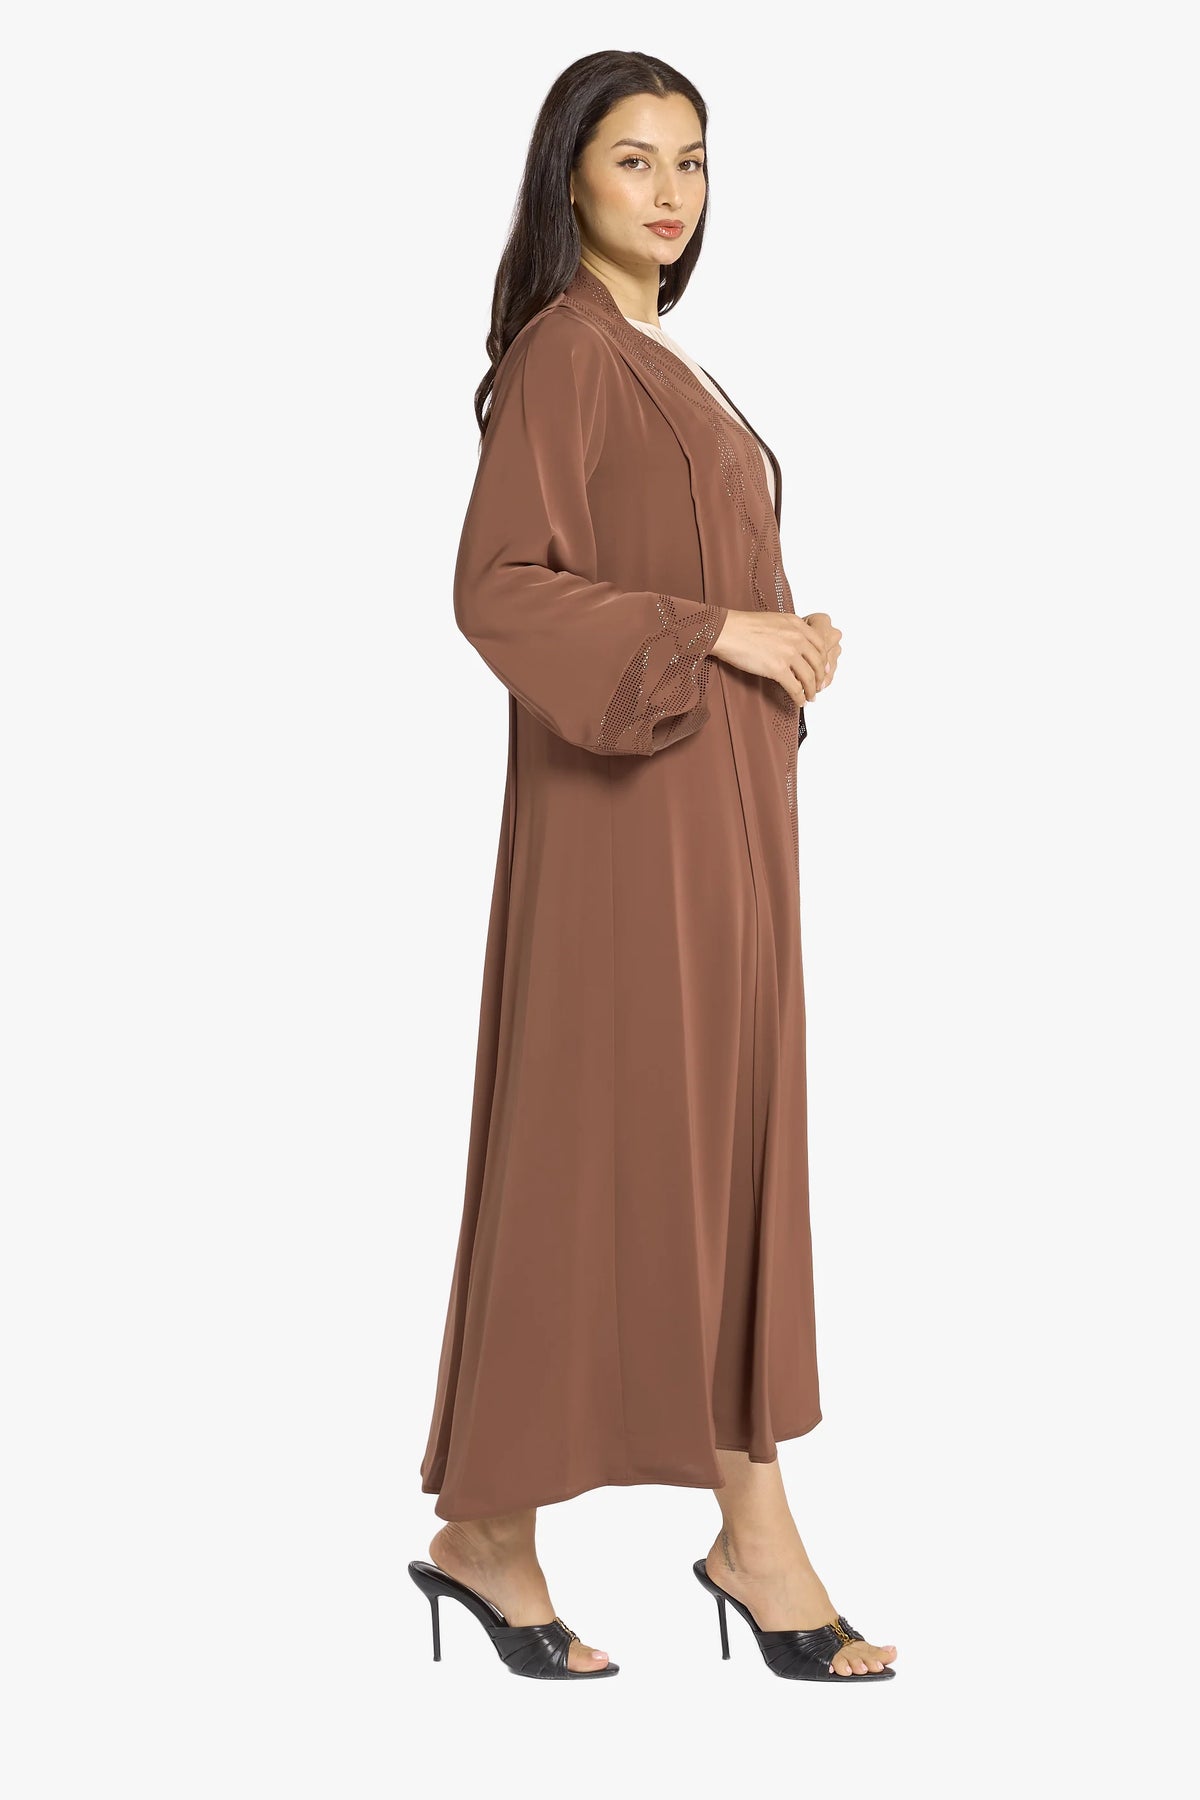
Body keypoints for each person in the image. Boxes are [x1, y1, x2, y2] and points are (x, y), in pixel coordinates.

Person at [409, 50, 897, 1684]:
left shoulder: (665, 361)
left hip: (726, 820)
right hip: (625, 830)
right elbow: (499, 587)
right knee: (597, 1149)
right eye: (635, 159)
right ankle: (516, 1534)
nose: (671, 190)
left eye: (693, 159)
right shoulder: (565, 355)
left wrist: (779, 643)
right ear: (569, 177)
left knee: (731, 1146)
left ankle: (726, 1530)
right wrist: (719, 634)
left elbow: (689, 577)